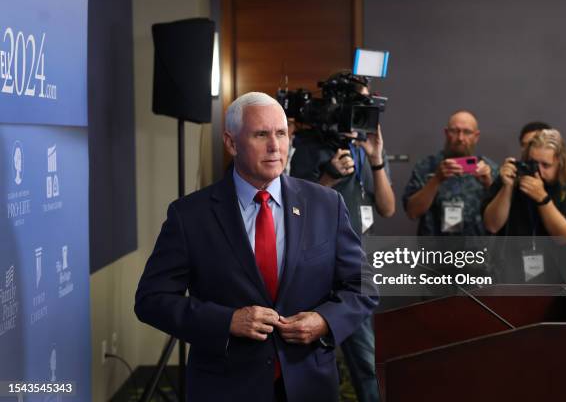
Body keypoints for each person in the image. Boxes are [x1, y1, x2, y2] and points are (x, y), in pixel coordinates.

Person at [135, 92, 377, 402]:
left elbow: (363, 285)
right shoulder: (189, 216)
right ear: (231, 143)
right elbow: (151, 300)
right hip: (225, 387)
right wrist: (227, 321)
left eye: (281, 133)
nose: (275, 146)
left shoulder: (326, 204)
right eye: (261, 134)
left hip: (310, 385)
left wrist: (324, 321)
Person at [290, 74, 393, 402]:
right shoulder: (307, 147)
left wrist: (376, 159)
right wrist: (327, 176)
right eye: (358, 102)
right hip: (314, 264)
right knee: (310, 363)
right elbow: (292, 210)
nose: (364, 110)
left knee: (367, 361)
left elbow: (388, 208)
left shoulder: (366, 147)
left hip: (357, 267)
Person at [483, 129, 566, 283]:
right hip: (508, 275)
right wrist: (507, 187)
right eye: (533, 163)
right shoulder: (511, 178)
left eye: (546, 165)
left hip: (555, 277)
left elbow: (564, 238)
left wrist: (542, 199)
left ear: (560, 163)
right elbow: (492, 225)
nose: (538, 171)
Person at [403, 110, 497, 236]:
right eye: (454, 131)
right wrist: (436, 180)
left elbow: (499, 221)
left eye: (467, 132)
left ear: (476, 136)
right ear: (446, 133)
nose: (460, 138)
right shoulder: (427, 166)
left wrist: (489, 184)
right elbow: (412, 212)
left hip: (478, 251)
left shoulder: (488, 169)